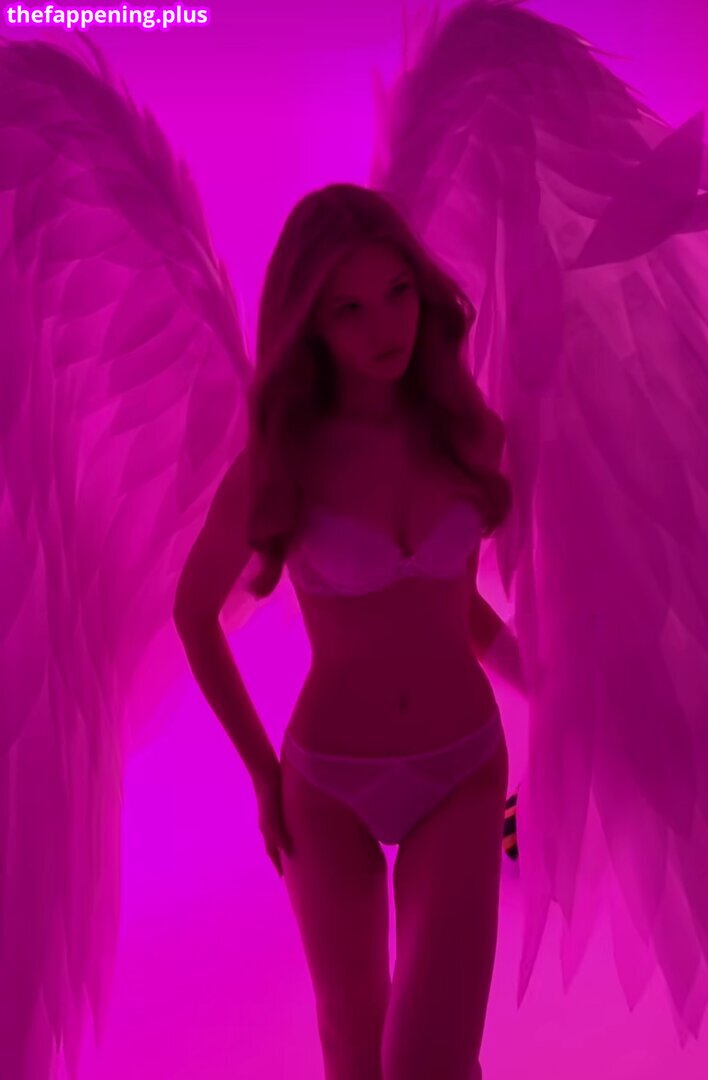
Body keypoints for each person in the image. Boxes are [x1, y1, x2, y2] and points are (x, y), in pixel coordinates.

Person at [173, 182, 515, 1079]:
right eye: (348, 309)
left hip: (462, 771)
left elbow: (453, 606)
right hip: (326, 786)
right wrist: (261, 772)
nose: (383, 327)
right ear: (311, 325)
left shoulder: (466, 433)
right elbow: (193, 613)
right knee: (356, 1058)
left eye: (397, 292)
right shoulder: (281, 460)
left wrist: (555, 684)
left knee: (431, 1064)